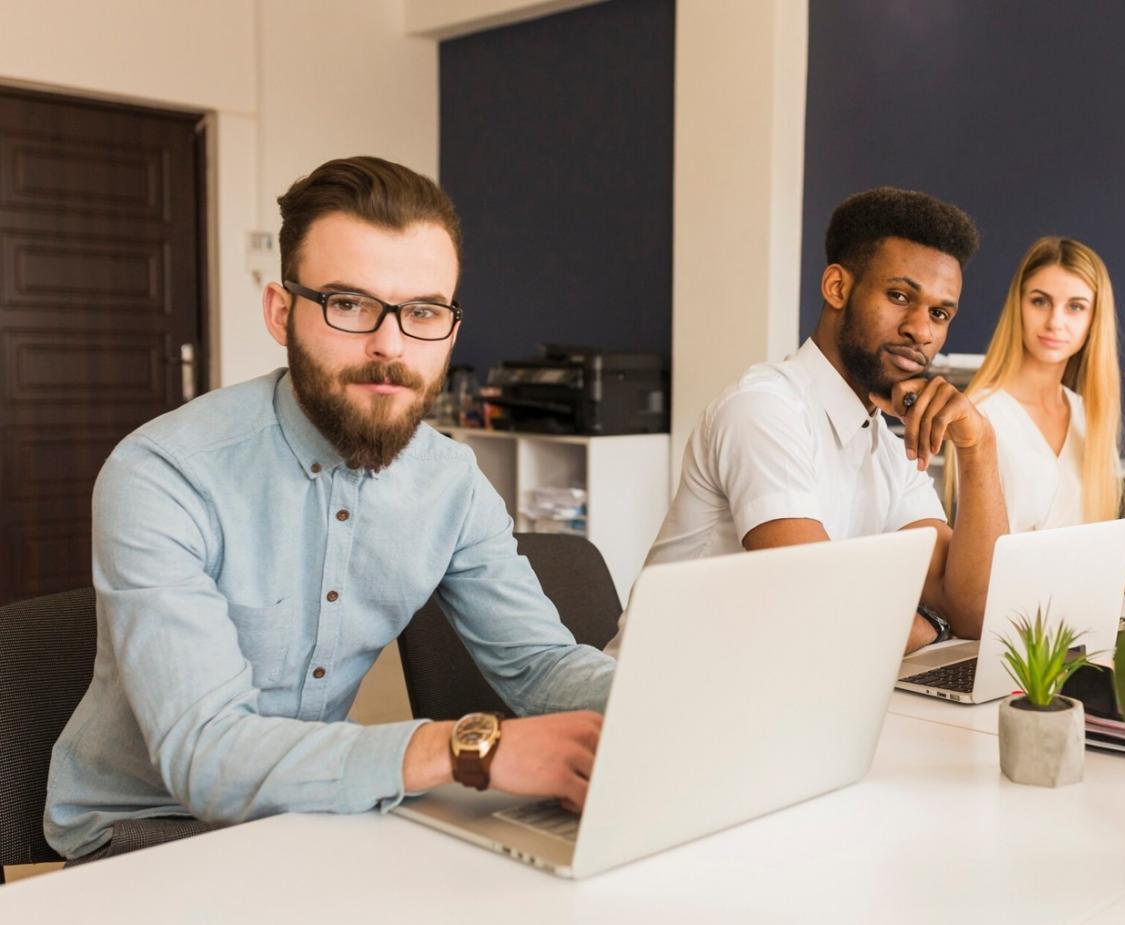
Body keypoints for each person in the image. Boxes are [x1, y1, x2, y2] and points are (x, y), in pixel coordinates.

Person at [46, 156, 611, 863]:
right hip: (145, 828)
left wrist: (670, 700)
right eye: (349, 304)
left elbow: (540, 666)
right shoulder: (164, 473)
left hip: (315, 810)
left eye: (423, 312)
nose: (390, 345)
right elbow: (206, 753)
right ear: (282, 312)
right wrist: (468, 748)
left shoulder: (451, 481)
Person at [605, 187, 1009, 657]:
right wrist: (935, 626)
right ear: (838, 287)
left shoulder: (886, 444)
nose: (920, 330)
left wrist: (979, 447)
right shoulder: (763, 409)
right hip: (667, 686)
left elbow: (974, 612)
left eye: (939, 314)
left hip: (781, 684)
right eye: (899, 296)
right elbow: (820, 605)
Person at [954, 236, 1125, 592]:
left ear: (1094, 318)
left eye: (1075, 307)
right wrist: (1119, 578)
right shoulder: (980, 415)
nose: (1055, 322)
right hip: (1009, 616)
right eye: (1040, 301)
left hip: (1082, 611)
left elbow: (1082, 547)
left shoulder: (1087, 417)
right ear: (1017, 306)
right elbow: (986, 570)